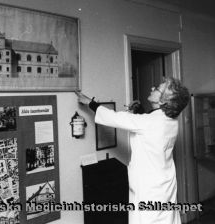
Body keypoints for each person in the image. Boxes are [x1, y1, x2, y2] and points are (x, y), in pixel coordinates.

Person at [76, 77, 190, 224]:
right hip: (164, 185)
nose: (152, 88)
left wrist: (90, 102)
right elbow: (149, 124)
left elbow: (114, 118)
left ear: (163, 102)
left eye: (157, 89)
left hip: (149, 190)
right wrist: (138, 111)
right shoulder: (171, 121)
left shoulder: (149, 122)